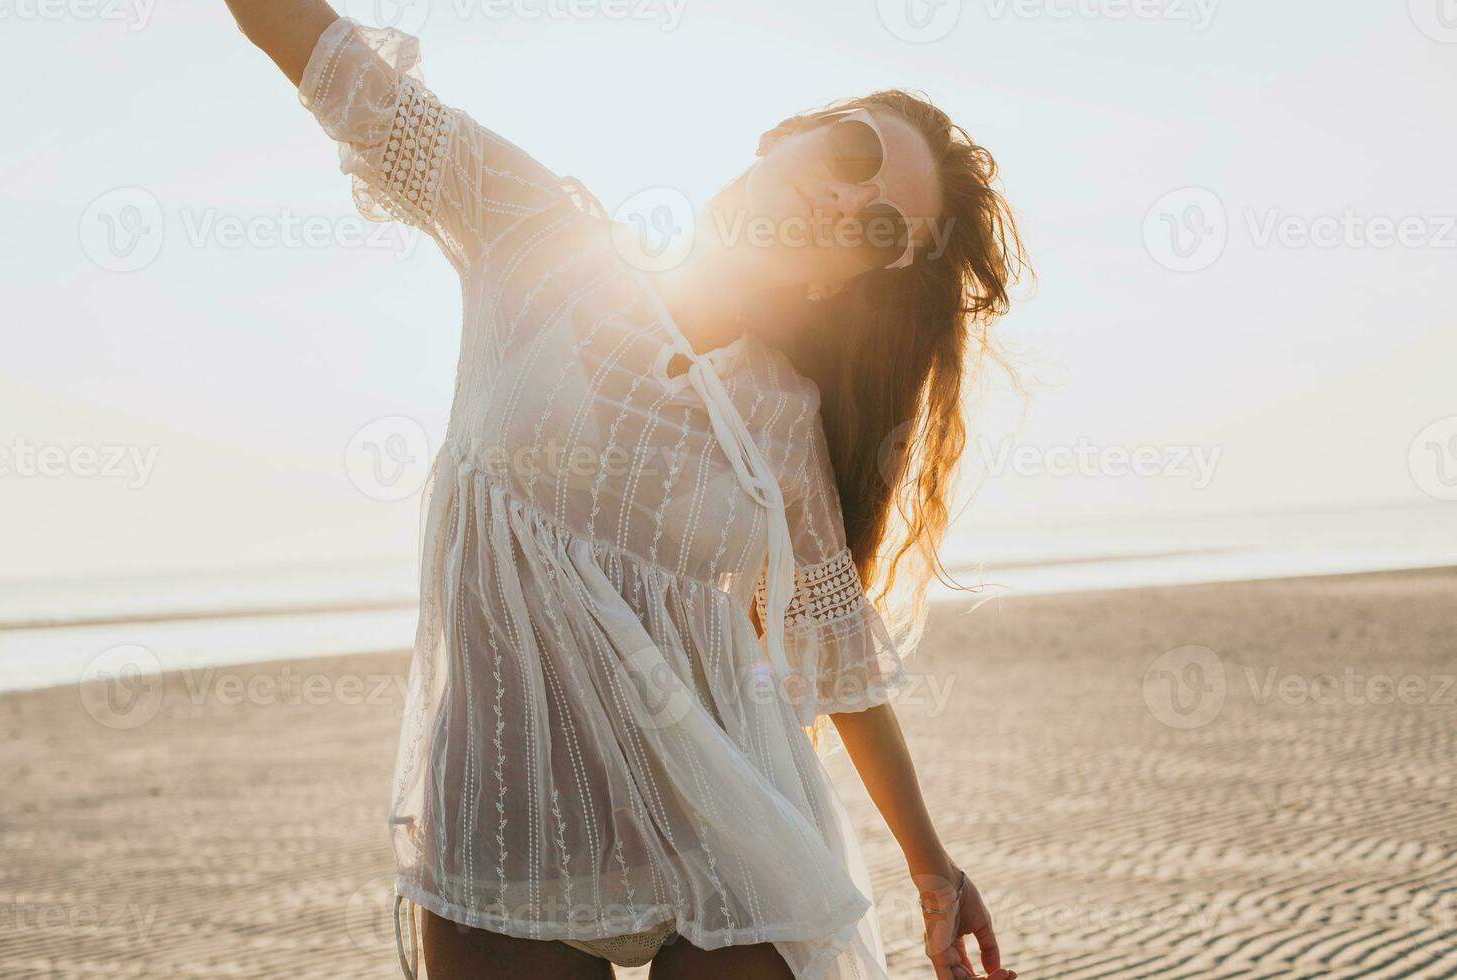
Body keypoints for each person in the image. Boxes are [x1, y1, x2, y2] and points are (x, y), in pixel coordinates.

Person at [222, 4, 1027, 978]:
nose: (844, 205)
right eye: (854, 154)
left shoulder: (778, 415)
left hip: (718, 823)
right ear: (788, 137)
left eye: (881, 228)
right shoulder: (533, 233)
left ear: (840, 282)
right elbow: (326, 61)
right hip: (507, 806)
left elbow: (838, 649)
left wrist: (933, 869)